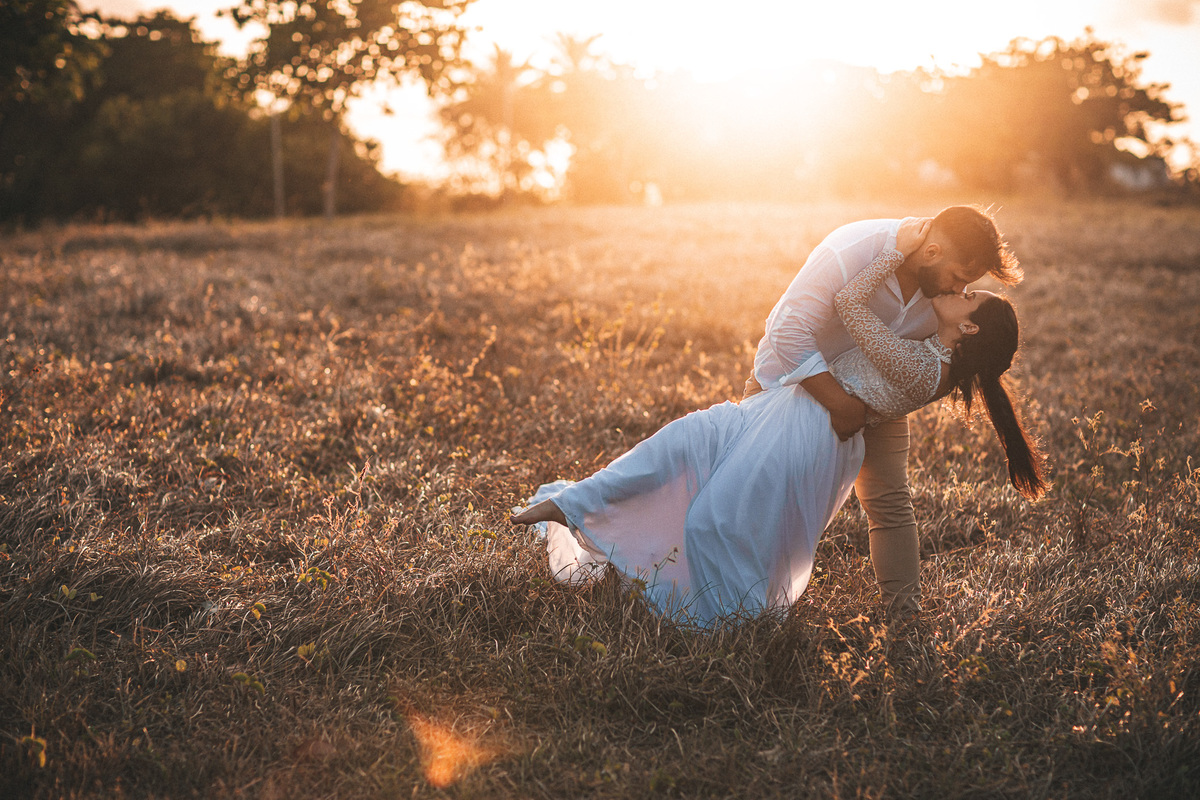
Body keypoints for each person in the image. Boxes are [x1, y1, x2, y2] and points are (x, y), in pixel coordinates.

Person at [511, 214, 1046, 626]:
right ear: (930, 249)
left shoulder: (939, 313)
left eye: (968, 289)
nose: (957, 291)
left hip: (867, 405)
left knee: (883, 502)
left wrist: (859, 407)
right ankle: (639, 556)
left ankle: (901, 619)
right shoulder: (852, 249)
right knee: (715, 481)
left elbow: (931, 352)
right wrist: (840, 402)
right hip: (795, 387)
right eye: (960, 278)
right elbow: (787, 332)